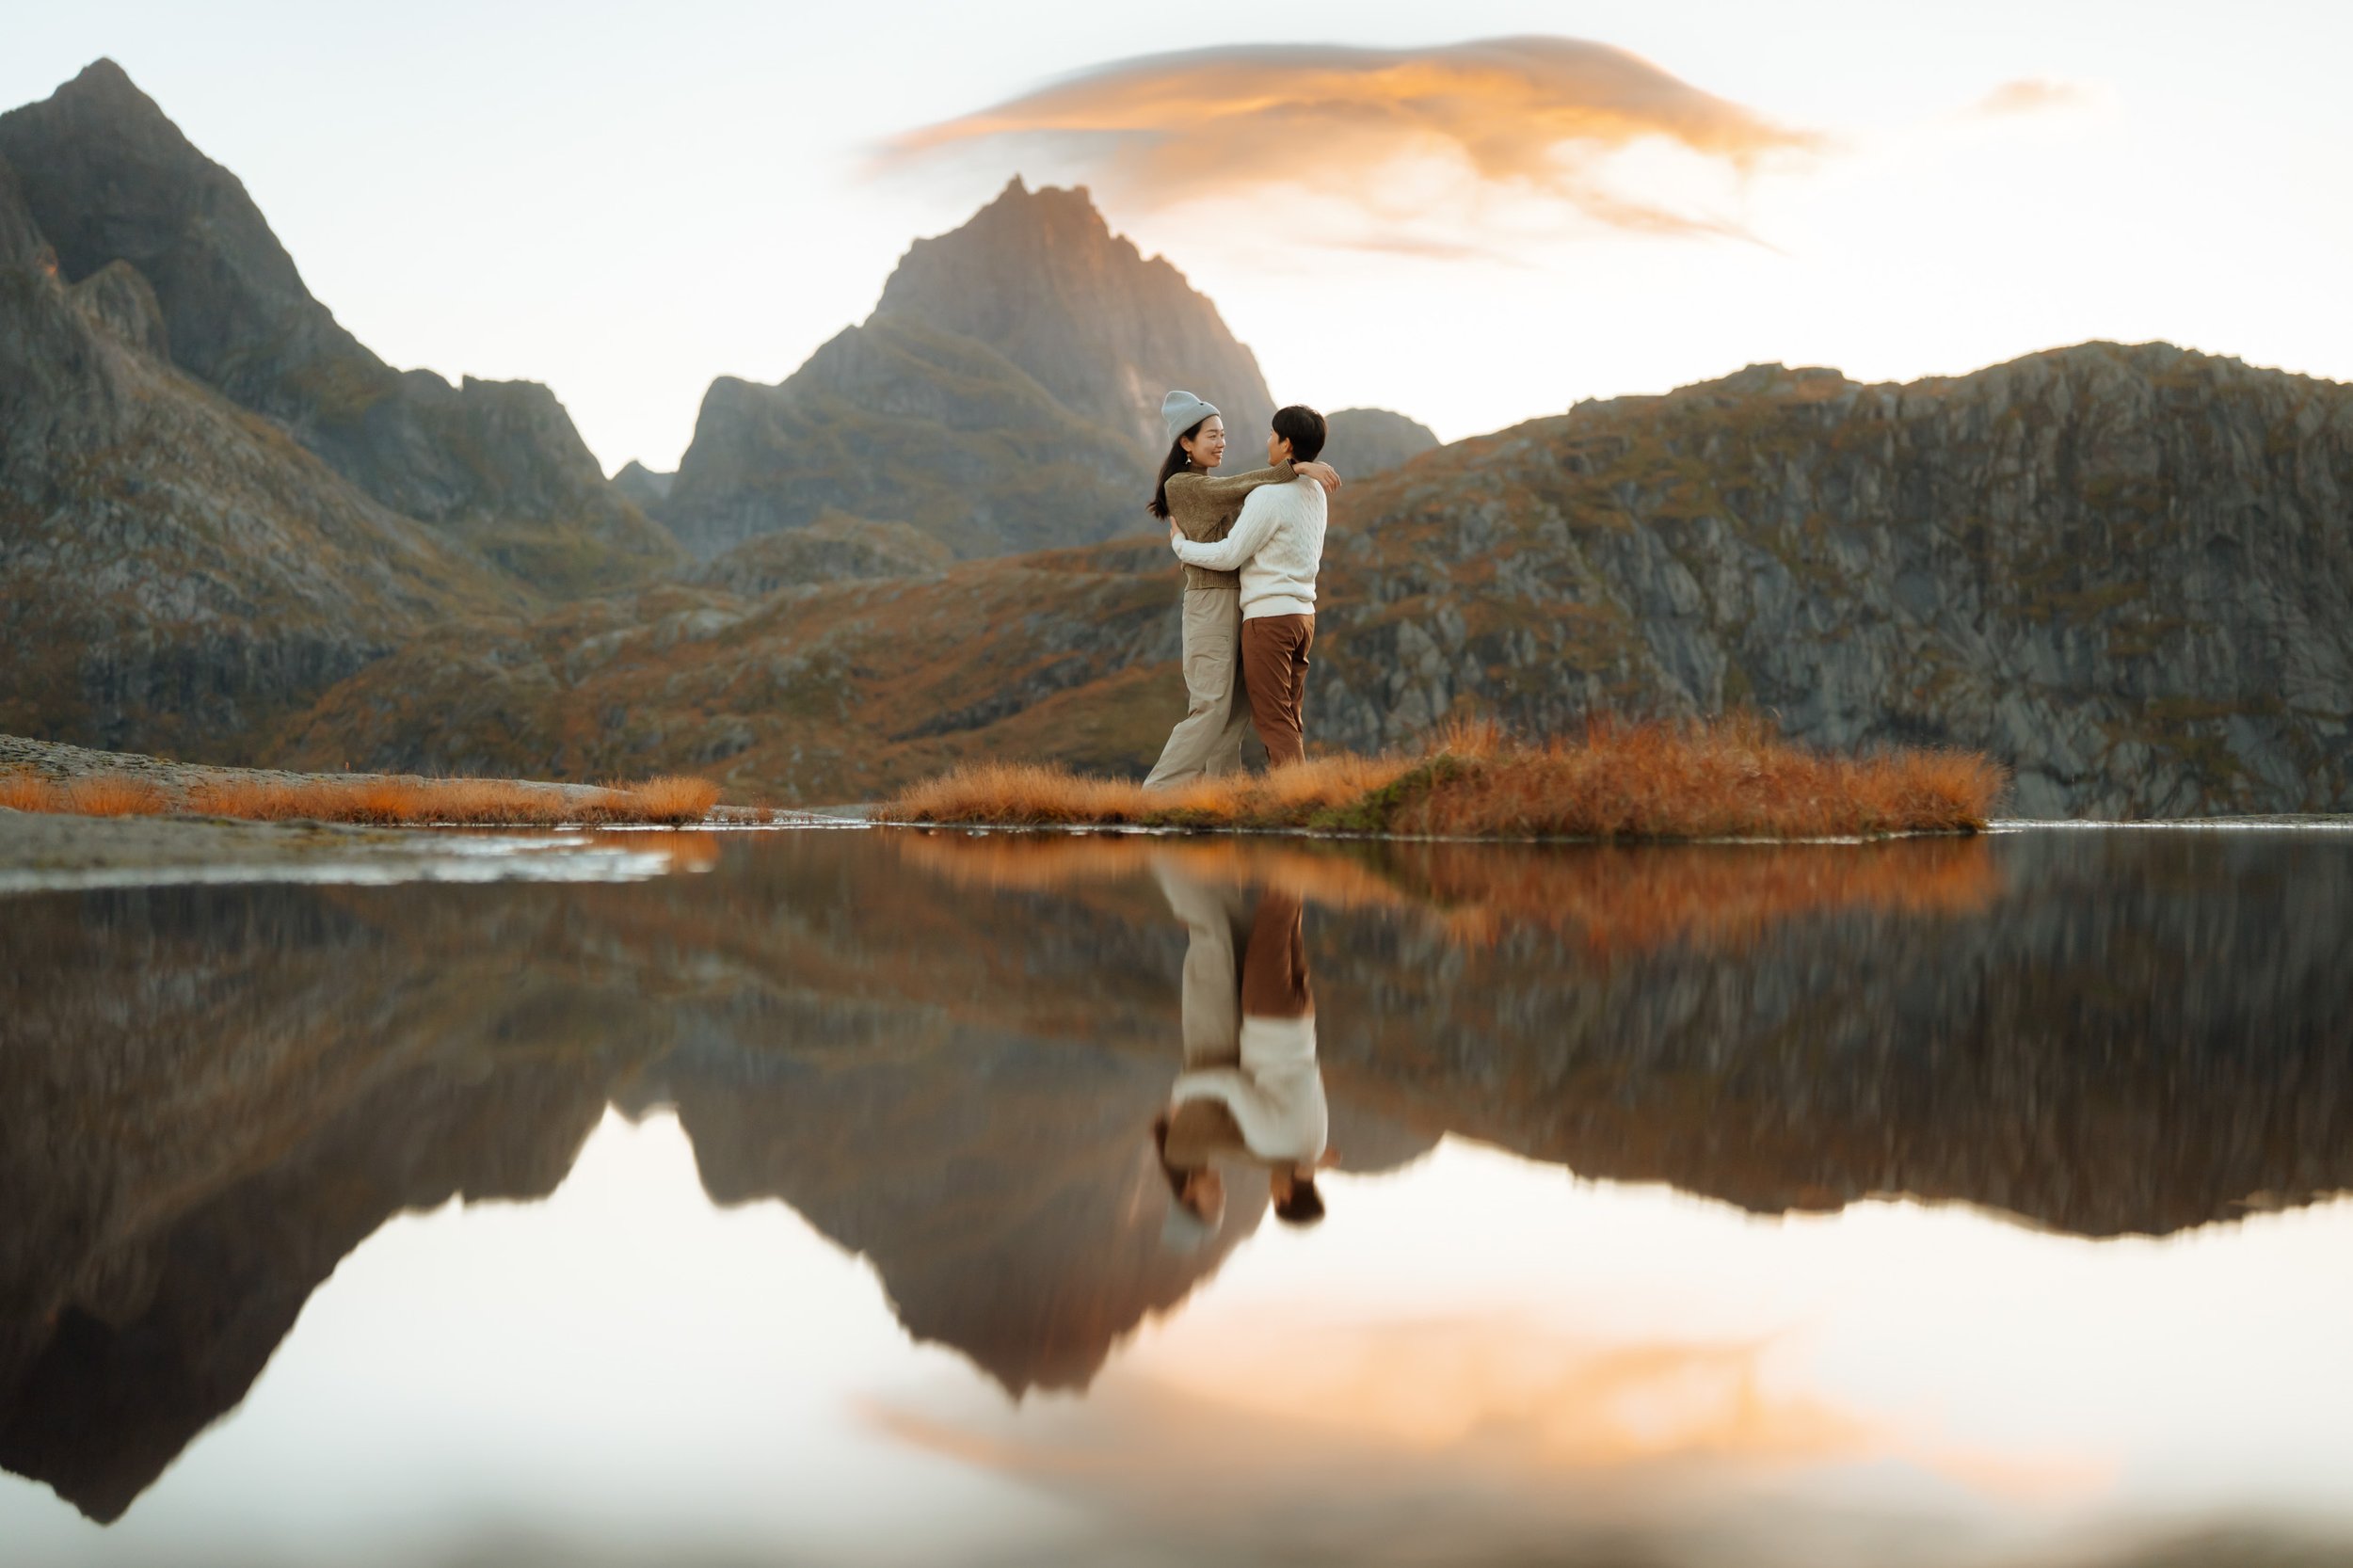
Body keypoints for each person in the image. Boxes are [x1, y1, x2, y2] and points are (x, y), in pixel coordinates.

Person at [1144, 392, 1340, 790]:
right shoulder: (1183, 486)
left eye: (1223, 434)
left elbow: (1245, 493)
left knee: (1236, 712)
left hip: (1247, 604)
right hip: (1212, 601)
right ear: (1186, 442)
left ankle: (1222, 794)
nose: (1222, 442)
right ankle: (1158, 792)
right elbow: (1245, 489)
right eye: (1212, 435)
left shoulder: (1218, 485)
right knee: (1212, 706)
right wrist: (1296, 467)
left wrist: (1294, 468)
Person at [1153, 869, 1337, 1229]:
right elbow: (1231, 1088)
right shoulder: (1270, 1147)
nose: (1221, 1193)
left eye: (1214, 1200)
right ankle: (1298, 850)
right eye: (1275, 1196)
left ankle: (1300, 856)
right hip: (1268, 1018)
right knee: (1276, 912)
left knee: (1285, 919)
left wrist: (1305, 1167)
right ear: (1283, 1196)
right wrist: (1182, 1090)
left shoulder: (1312, 1147)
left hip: (1300, 1022)